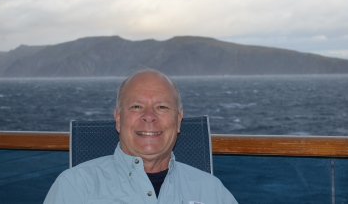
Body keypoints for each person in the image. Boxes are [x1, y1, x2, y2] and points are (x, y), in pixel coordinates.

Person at [44, 68, 238, 203]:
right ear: (118, 118)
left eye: (161, 107)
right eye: (137, 107)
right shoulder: (75, 186)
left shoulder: (212, 190)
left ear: (178, 120)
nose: (149, 117)